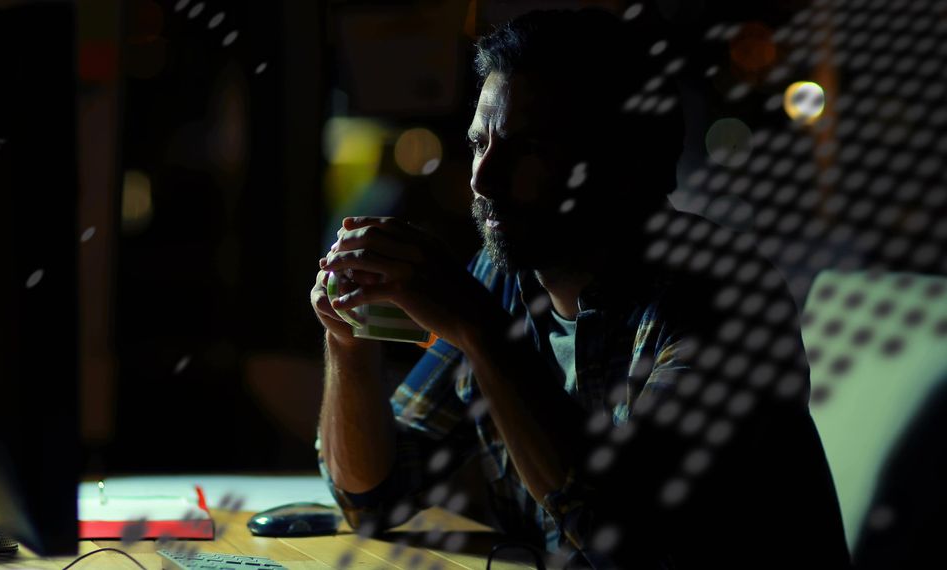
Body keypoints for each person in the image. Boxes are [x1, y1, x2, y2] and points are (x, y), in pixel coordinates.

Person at [310, 8, 850, 568]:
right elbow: (372, 496)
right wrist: (348, 341)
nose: (481, 178)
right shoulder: (503, 277)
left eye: (527, 150)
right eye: (479, 144)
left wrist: (480, 329)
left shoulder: (724, 298)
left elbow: (628, 538)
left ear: (622, 165)